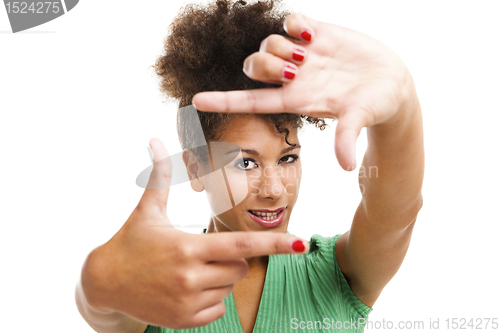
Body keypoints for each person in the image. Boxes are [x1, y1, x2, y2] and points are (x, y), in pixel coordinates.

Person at [75, 0, 424, 332]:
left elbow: (395, 212)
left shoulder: (337, 274)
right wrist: (99, 279)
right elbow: (104, 310)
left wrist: (401, 99)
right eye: (246, 163)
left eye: (288, 158)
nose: (274, 190)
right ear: (196, 169)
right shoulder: (165, 282)